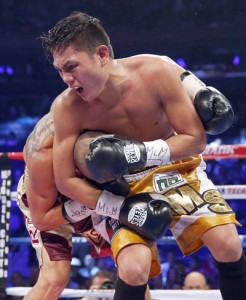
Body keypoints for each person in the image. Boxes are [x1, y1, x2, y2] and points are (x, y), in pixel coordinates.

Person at [39, 11, 245, 300]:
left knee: (228, 244)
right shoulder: (67, 108)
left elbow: (195, 139)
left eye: (71, 66)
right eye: (60, 70)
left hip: (176, 168)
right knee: (134, 268)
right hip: (119, 188)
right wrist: (117, 208)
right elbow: (64, 182)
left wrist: (141, 153)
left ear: (101, 54)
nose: (67, 79)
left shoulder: (155, 72)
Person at [16, 110, 167, 299]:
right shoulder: (42, 154)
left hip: (106, 195)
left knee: (134, 266)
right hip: (51, 207)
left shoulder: (121, 119)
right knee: (54, 280)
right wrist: (98, 202)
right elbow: (42, 220)